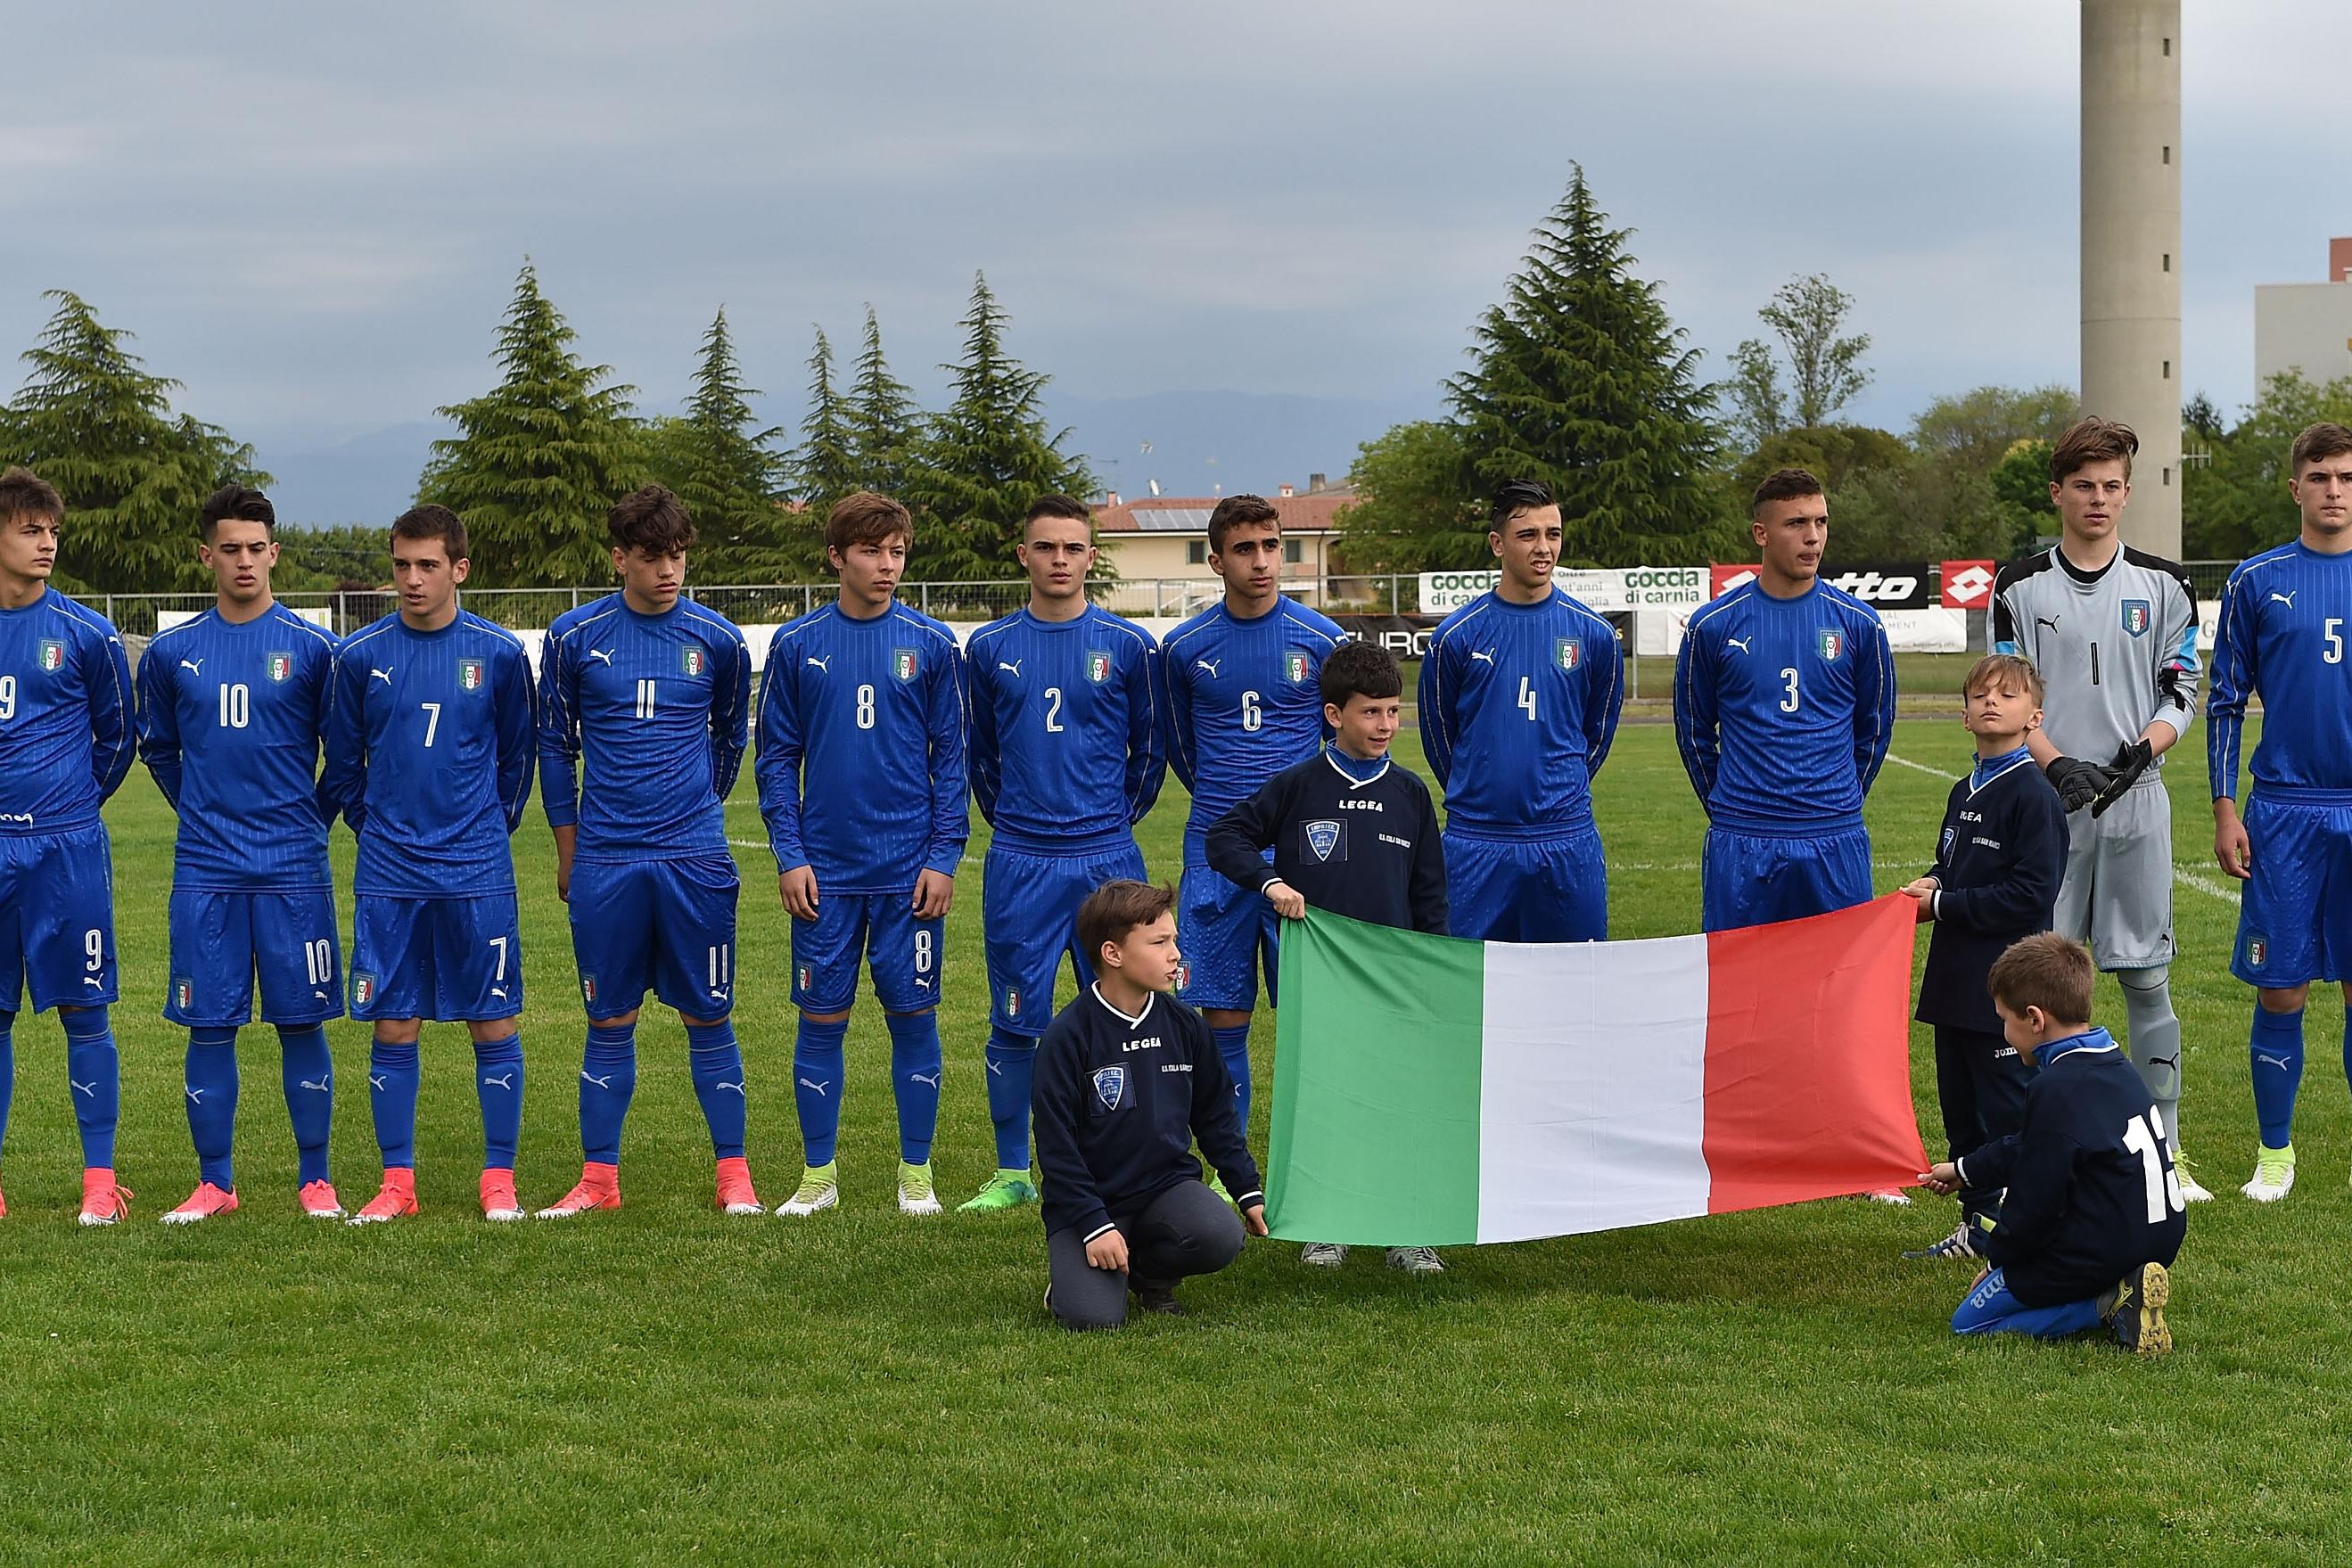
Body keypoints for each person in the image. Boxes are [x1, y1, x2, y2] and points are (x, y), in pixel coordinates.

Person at [1991, 416, 2209, 1200]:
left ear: (2127, 491)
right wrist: (2058, 767)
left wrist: (2140, 751)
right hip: (2051, 806)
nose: (2099, 499)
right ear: (2057, 491)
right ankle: (2033, 1158)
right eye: (2084, 485)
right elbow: (2010, 694)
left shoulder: (2164, 584)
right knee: (2039, 990)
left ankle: (2168, 1156)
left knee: (2146, 980)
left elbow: (2182, 690)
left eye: (2112, 485)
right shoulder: (2020, 586)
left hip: (2137, 801)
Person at [1675, 465, 1901, 1201]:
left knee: (1846, 1001)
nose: (1812, 536)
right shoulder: (1715, 627)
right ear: (1761, 533)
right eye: (1797, 523)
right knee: (1741, 997)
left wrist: (1832, 803)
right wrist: (1737, 807)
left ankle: (1860, 1158)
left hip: (1833, 837)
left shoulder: (1858, 625)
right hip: (1744, 838)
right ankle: (1743, 1151)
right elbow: (1693, 732)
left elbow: (1873, 732)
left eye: (1821, 522)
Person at [535, 484, 758, 1219]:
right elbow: (555, 749)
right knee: (608, 1017)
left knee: (709, 1014)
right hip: (606, 858)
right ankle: (599, 1180)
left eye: (680, 555)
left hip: (693, 855)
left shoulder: (718, 639)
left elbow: (731, 738)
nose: (670, 570)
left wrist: (698, 806)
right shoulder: (574, 637)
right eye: (655, 556)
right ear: (620, 558)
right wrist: (571, 849)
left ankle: (735, 1176)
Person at [322, 505, 536, 1224]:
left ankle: (498, 1178)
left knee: (493, 1020)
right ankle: (397, 1183)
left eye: (427, 566)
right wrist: (379, 828)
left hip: (476, 869)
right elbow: (343, 765)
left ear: (460, 569)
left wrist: (477, 830)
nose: (411, 580)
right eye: (401, 566)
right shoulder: (359, 657)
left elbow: (517, 761)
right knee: (394, 1022)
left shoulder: (500, 654)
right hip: (389, 872)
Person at [137, 483, 345, 1224]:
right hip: (207, 868)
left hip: (294, 867)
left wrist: (307, 819)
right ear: (206, 556)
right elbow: (158, 749)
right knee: (209, 1022)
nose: (245, 561)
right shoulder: (170, 652)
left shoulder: (318, 650)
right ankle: (215, 1183)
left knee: (301, 1021)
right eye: (230, 549)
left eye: (257, 548)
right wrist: (201, 811)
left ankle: (315, 1180)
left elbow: (344, 757)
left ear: (275, 553)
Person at [759, 490, 968, 1219]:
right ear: (837, 556)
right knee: (821, 1020)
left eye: (898, 551)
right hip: (827, 873)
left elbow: (953, 761)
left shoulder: (934, 644)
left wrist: (943, 856)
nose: (887, 565)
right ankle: (819, 1175)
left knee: (915, 1019)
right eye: (873, 551)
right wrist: (789, 853)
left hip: (909, 875)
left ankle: (917, 1174)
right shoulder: (795, 645)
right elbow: (776, 758)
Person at [1206, 639, 1447, 1273]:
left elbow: (1430, 895)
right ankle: (1326, 1223)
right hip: (1320, 978)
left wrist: (1431, 967)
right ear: (1334, 715)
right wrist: (1270, 882)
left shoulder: (1411, 794)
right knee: (1327, 1100)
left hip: (1394, 977)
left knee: (1398, 1099)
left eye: (1394, 712)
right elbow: (1223, 836)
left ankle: (1407, 1228)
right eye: (1371, 713)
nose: (1386, 726)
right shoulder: (1298, 787)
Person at [958, 495, 1163, 1213]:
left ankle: (1118, 1162)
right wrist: (1020, 820)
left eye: (1073, 549)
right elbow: (979, 756)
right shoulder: (987, 648)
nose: (1060, 561)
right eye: (1046, 547)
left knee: (1122, 1011)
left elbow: (1151, 752)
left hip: (1107, 853)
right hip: (1021, 857)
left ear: (1091, 556)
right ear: (1024, 555)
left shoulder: (1130, 646)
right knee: (1016, 1017)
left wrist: (1107, 820)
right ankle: (1014, 1170)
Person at [1156, 494, 1345, 1140]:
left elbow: (1345, 746)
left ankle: (1316, 1164)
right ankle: (1232, 1177)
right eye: (1245, 549)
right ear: (1216, 560)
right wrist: (1232, 815)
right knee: (1221, 1020)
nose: (1262, 562)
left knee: (1317, 1025)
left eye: (1272, 546)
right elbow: (1180, 747)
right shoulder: (1184, 646)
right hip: (1216, 857)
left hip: (1306, 857)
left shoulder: (1323, 639)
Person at [2208, 420, 2352, 1202]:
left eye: (2347, 477)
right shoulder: (2255, 580)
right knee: (2281, 988)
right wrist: (2228, 809)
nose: (2335, 490)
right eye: (2321, 476)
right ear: (2296, 485)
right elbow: (2225, 703)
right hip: (2285, 811)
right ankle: (2275, 1156)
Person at [1921, 933, 2184, 1355]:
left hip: (2104, 1247)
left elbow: (2035, 1201)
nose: (2003, 1033)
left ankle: (2108, 1303)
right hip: (2159, 1237)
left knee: (1969, 1323)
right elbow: (2032, 1144)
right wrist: (1965, 1170)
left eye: (2004, 1020)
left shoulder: (2057, 1086)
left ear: (2034, 1019)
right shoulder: (2112, 1062)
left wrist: (1997, 1263)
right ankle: (2120, 1285)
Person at [1033, 880, 1267, 1329]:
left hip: (1165, 1189)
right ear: (1113, 954)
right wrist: (1093, 1223)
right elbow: (1056, 1148)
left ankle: (1149, 1274)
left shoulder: (1185, 1026)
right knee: (1092, 1319)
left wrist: (1246, 1189)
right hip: (1089, 1203)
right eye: (1159, 942)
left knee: (1219, 1236)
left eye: (1173, 940)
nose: (1175, 954)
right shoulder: (1068, 1036)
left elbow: (1215, 1116)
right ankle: (1076, 1275)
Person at [1897, 654, 2069, 1260]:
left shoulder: (2034, 796)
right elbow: (1951, 869)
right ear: (1964, 716)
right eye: (1980, 695)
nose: (1991, 702)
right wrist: (1926, 885)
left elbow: (2031, 895)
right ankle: (1979, 1225)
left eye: (2008, 694)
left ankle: (2023, 1226)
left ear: (2034, 716)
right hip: (1954, 983)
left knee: (2006, 1112)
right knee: (1963, 1113)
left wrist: (1942, 904)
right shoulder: (1962, 790)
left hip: (2007, 987)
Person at [0, 466, 136, 1225]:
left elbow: (118, 742)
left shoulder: (86, 633)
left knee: (86, 1012)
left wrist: (70, 805)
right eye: (30, 529)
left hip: (65, 850)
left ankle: (99, 1181)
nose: (47, 543)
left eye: (52, 531)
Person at [1419, 478, 1624, 941]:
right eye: (1527, 535)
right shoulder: (1457, 636)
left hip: (1565, 838)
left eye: (1552, 533)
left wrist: (1558, 785)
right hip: (1478, 842)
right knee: (1473, 994)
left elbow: (1598, 729)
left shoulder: (1594, 634)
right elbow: (1439, 735)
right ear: (1497, 544)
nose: (1544, 547)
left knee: (1575, 988)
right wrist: (1482, 789)